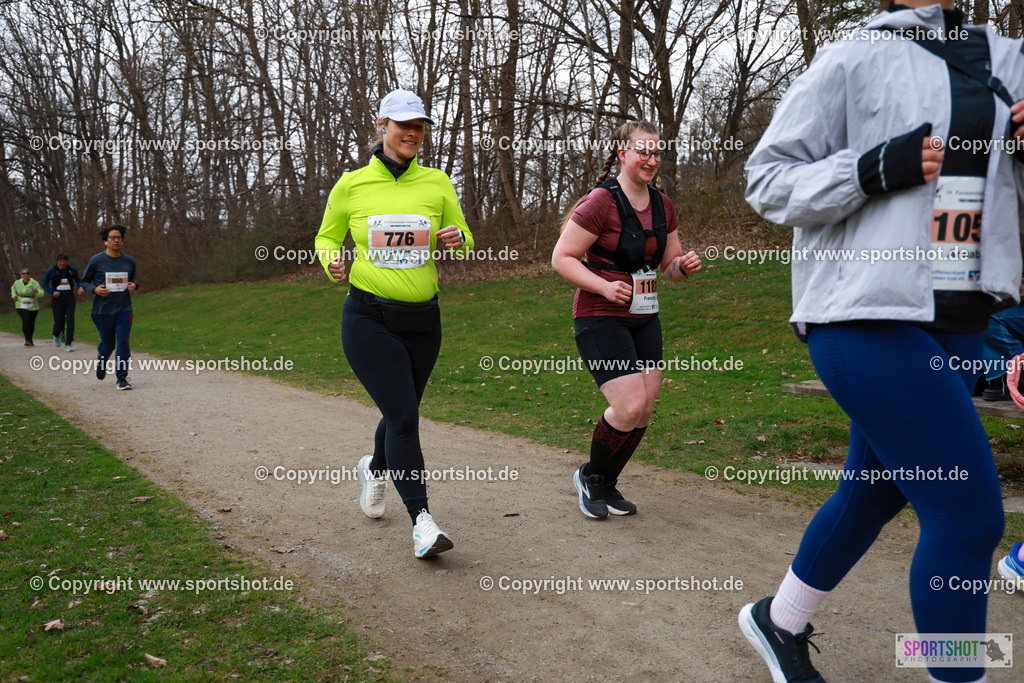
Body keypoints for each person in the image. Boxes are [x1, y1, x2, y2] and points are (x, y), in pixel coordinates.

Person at [740, 2, 1024, 682]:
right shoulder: (852, 57)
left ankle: (778, 620)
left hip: (963, 320)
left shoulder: (1013, 60)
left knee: (872, 489)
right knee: (969, 516)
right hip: (861, 314)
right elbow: (767, 180)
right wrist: (867, 170)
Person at [314, 89, 474, 559]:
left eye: (419, 126)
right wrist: (332, 262)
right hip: (369, 318)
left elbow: (464, 236)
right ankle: (422, 522)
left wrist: (455, 237)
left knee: (398, 413)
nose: (412, 133)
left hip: (424, 320)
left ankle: (375, 468)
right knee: (406, 417)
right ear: (380, 124)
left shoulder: (437, 181)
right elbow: (325, 236)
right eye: (403, 124)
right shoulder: (353, 184)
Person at [551, 120, 701, 519]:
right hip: (600, 315)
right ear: (622, 153)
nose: (652, 160)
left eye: (657, 152)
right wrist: (602, 287)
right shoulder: (600, 202)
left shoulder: (663, 205)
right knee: (629, 403)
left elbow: (669, 268)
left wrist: (683, 267)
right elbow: (561, 258)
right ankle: (590, 476)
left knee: (645, 408)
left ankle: (606, 482)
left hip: (644, 315)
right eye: (643, 152)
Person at [81, 225, 138, 390]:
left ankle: (121, 379)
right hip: (102, 310)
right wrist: (95, 289)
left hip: (124, 308)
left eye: (119, 237)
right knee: (108, 345)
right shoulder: (96, 260)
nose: (116, 240)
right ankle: (102, 359)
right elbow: (84, 281)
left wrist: (134, 285)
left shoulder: (129, 261)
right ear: (105, 241)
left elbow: (133, 280)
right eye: (112, 237)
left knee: (122, 342)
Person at [42, 252, 80, 352]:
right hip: (57, 298)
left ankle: (68, 343)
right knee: (59, 321)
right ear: (57, 262)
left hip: (69, 297)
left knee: (70, 320)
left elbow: (78, 280)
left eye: (64, 261)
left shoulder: (72, 270)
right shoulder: (52, 270)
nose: (62, 263)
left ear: (67, 262)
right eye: (60, 261)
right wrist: (52, 292)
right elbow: (45, 283)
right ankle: (56, 335)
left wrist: (80, 287)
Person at [11, 268, 43, 346]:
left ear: (29, 274)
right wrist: (14, 295)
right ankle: (27, 339)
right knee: (26, 320)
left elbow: (42, 293)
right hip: (20, 304)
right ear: (21, 275)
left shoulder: (34, 283)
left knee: (31, 322)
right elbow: (13, 289)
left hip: (33, 305)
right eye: (23, 273)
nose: (25, 275)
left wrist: (36, 291)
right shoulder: (17, 282)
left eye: (27, 273)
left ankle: (30, 340)